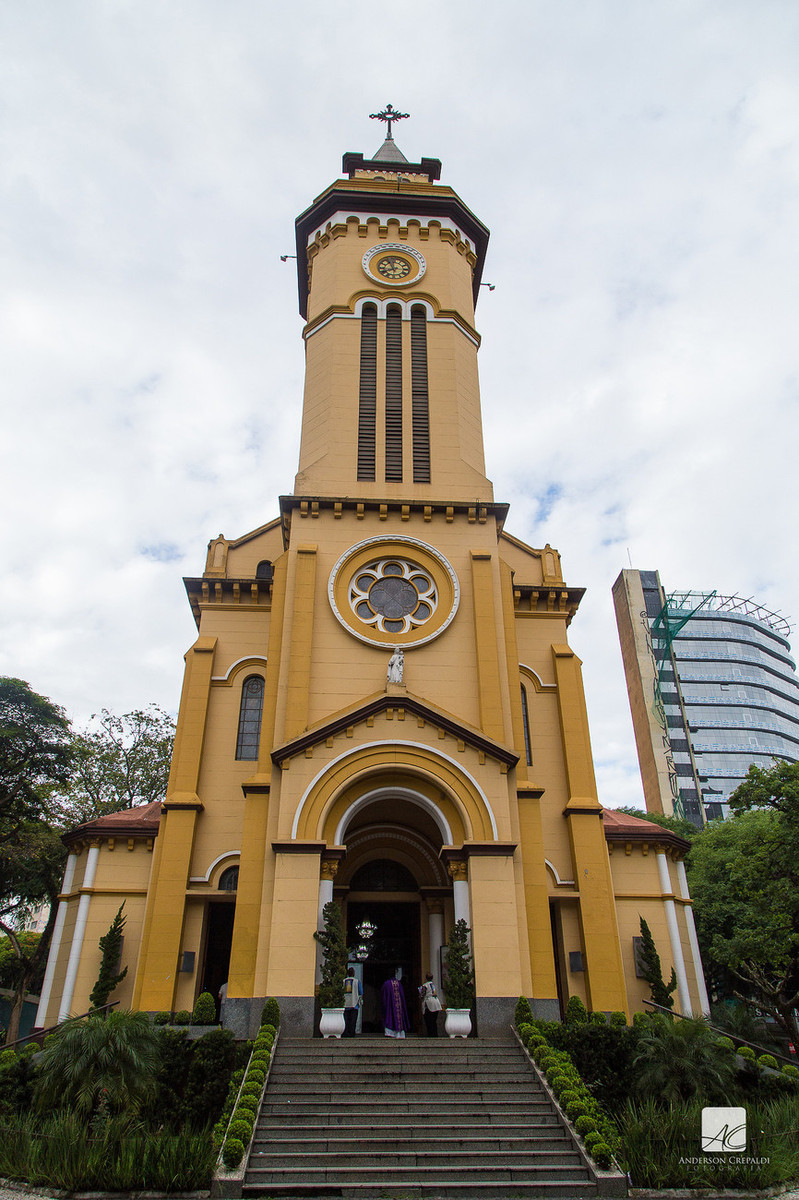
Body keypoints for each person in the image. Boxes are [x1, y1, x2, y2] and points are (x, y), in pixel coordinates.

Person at [381, 970, 410, 1038]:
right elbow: (402, 997)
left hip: (389, 1006)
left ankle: (390, 1033)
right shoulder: (399, 984)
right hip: (399, 1007)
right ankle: (399, 1033)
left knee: (390, 1015)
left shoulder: (386, 984)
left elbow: (383, 996)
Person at [418, 973, 442, 1037]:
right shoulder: (434, 985)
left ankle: (431, 1034)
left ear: (426, 978)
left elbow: (422, 994)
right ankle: (435, 1034)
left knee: (429, 1020)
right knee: (434, 1021)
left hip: (429, 1004)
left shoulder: (425, 985)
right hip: (436, 1002)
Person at [343, 967, 362, 1037]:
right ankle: (352, 1033)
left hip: (345, 1003)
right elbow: (361, 992)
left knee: (346, 1019)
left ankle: (345, 1032)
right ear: (354, 974)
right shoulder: (357, 981)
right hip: (354, 1004)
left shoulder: (344, 981)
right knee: (353, 1020)